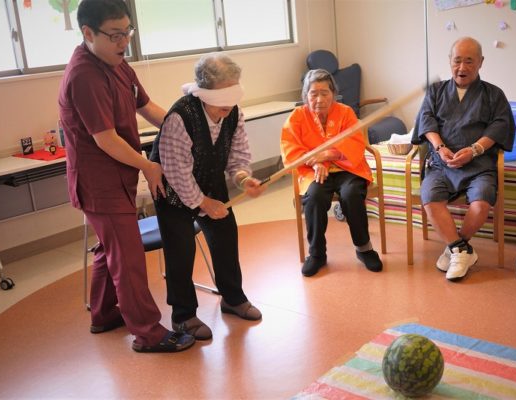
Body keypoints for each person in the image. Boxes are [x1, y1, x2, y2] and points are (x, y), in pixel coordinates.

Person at [58, 0, 194, 353]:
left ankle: (103, 314)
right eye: (116, 35)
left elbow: (146, 106)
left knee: (110, 250)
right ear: (88, 33)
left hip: (119, 175)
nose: (125, 43)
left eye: (128, 32)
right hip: (98, 182)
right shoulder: (84, 75)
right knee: (128, 258)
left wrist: (185, 128)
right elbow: (106, 139)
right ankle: (148, 333)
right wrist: (148, 165)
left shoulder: (117, 63)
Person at [150, 53, 264, 340]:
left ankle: (232, 298)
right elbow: (176, 172)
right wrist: (201, 202)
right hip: (173, 190)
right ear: (206, 90)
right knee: (181, 250)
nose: (230, 101)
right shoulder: (181, 116)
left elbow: (237, 156)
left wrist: (243, 178)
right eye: (224, 92)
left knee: (226, 235)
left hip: (210, 181)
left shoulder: (233, 112)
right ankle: (184, 316)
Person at [412, 37, 515, 281]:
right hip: (442, 163)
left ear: (480, 63)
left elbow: (500, 126)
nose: (462, 67)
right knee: (430, 197)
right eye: (457, 61)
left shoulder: (493, 94)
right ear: (450, 61)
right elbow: (427, 121)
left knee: (481, 204)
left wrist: (475, 150)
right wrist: (439, 148)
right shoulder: (436, 92)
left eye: (469, 61)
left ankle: (455, 248)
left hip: (479, 165)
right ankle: (462, 251)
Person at [281, 68, 383, 277]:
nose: (319, 98)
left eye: (324, 92)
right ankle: (317, 254)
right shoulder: (297, 116)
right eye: (313, 93)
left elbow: (355, 143)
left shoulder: (345, 112)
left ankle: (364, 249)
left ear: (333, 94)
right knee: (315, 197)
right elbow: (290, 148)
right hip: (313, 171)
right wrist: (314, 163)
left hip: (347, 167)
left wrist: (327, 155)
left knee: (351, 194)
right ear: (305, 95)